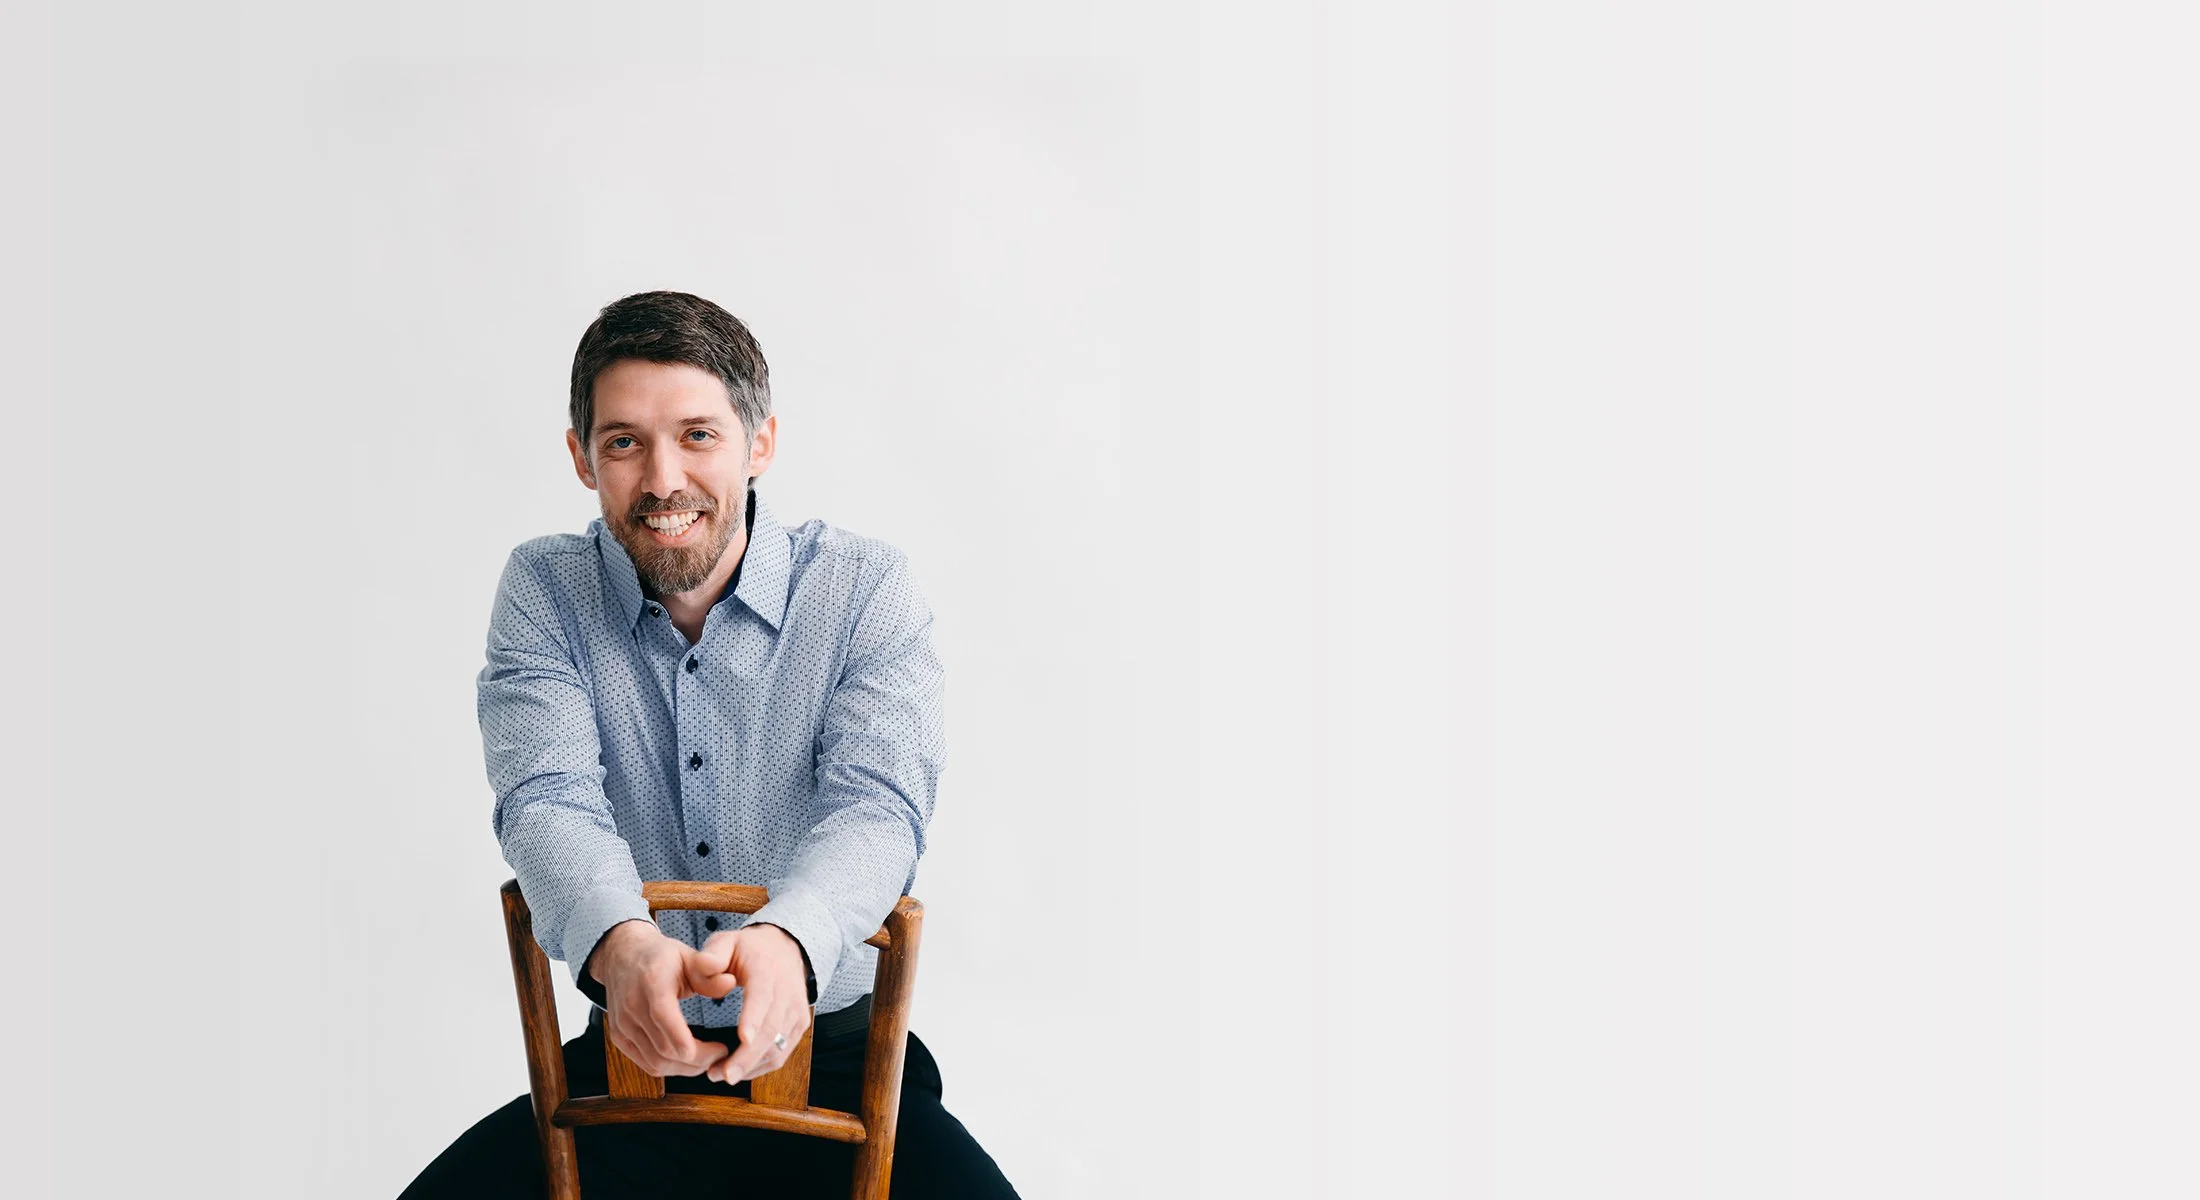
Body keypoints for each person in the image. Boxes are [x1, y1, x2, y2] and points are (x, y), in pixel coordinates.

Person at [399, 291, 1021, 1199]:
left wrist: (789, 942)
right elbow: (546, 799)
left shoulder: (865, 590)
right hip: (622, 1075)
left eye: (697, 435)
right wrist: (623, 945)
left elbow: (878, 806)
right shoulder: (545, 589)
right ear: (582, 458)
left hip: (839, 1067)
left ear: (759, 443)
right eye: (624, 442)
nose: (661, 481)